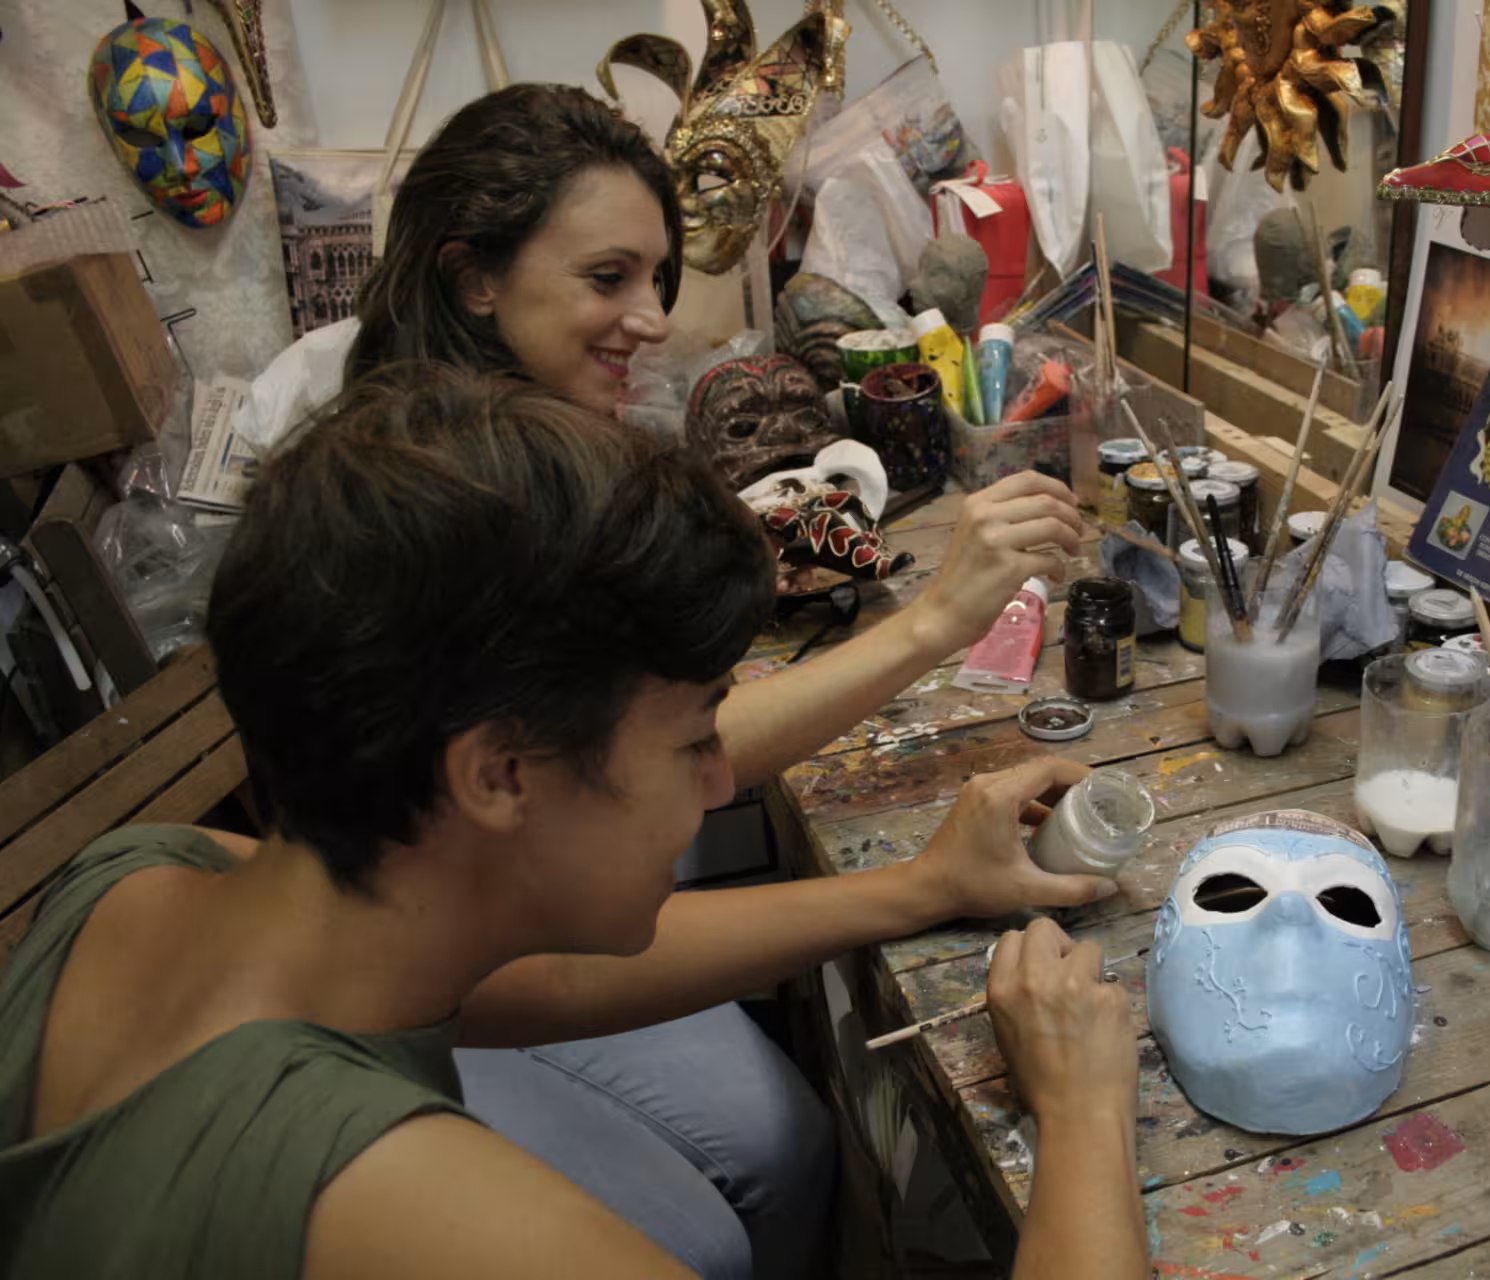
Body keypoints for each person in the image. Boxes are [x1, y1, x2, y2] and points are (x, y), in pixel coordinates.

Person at [0, 370, 1145, 1279]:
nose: (716, 781)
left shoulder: (145, 877)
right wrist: (1086, 1112)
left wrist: (922, 886)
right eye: (695, 734)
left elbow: (530, 985)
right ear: (499, 774)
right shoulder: (395, 1204)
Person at [244, 81, 1092, 1277]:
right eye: (607, 280)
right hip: (440, 974)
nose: (647, 318)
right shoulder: (438, 511)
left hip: (482, 935)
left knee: (789, 1143)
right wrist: (930, 639)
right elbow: (518, 949)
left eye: (658, 280)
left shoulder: (531, 445)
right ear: (472, 274)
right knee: (706, 1231)